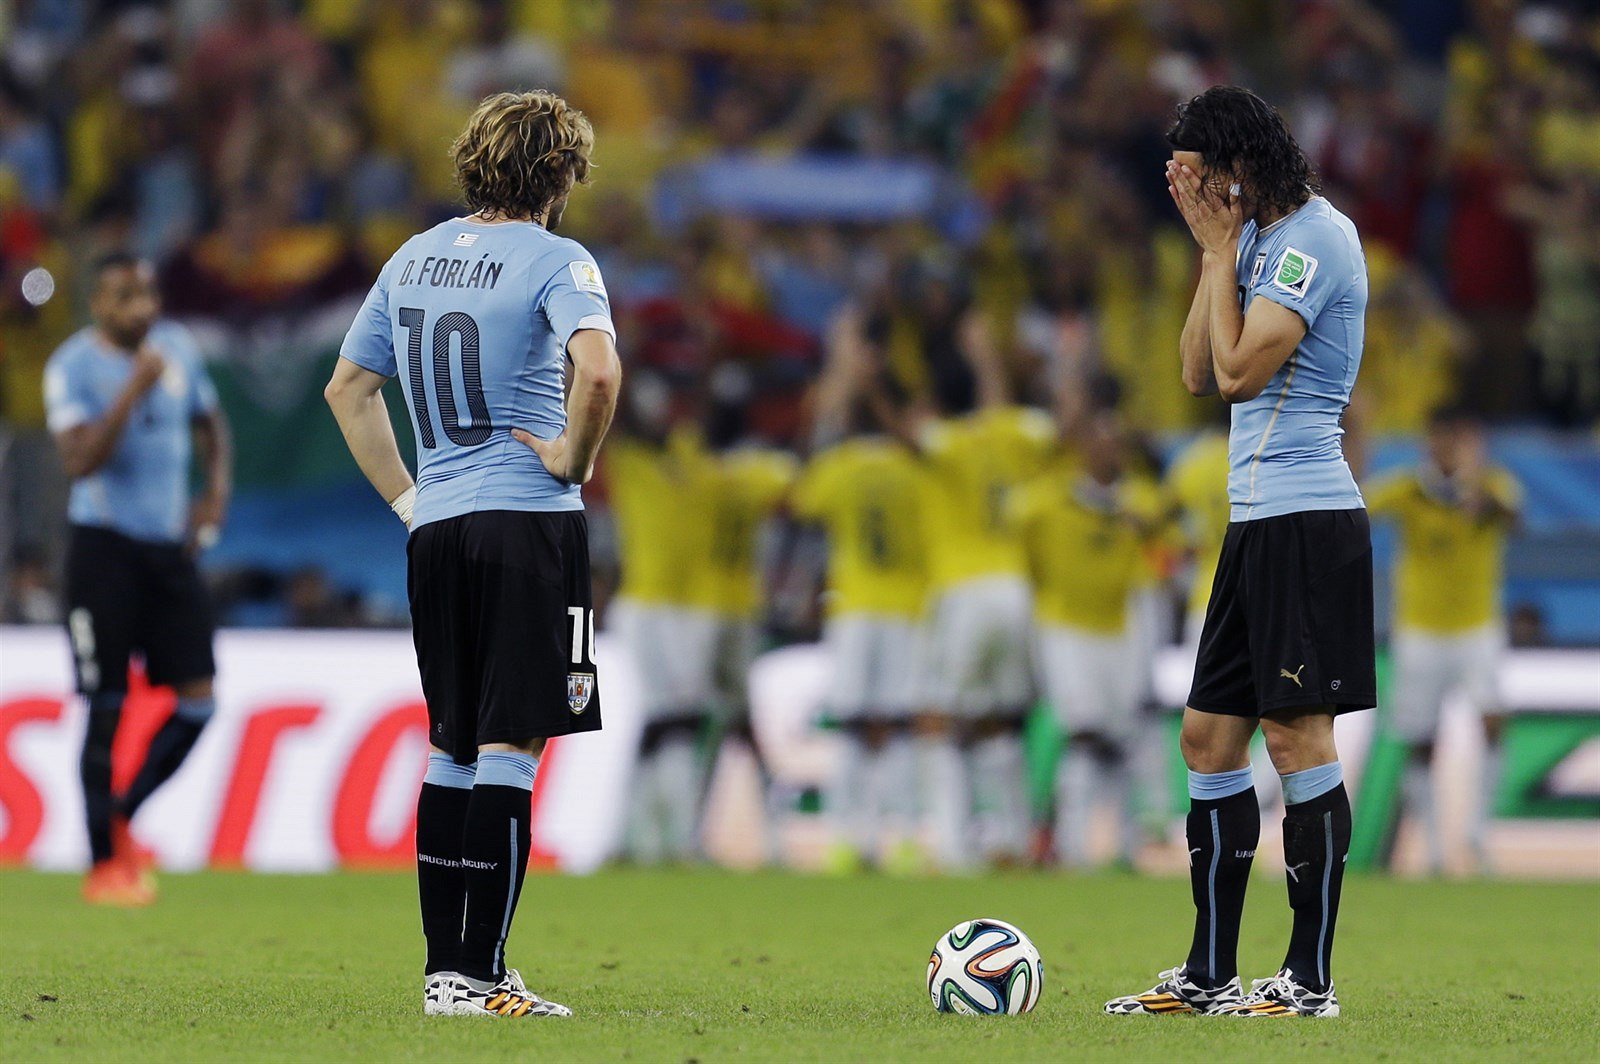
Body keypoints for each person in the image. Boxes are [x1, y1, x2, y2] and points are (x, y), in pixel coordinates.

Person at [324, 91, 621, 1019]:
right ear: (561, 173)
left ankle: (447, 975)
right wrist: (573, 459)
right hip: (527, 522)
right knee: (511, 746)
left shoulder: (411, 257)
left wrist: (410, 499)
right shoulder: (560, 260)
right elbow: (599, 372)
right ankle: (483, 978)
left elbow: (348, 389)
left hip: (440, 528)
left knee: (450, 747)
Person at [1106, 85, 1373, 1019]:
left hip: (1308, 517)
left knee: (1297, 739)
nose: (1188, 195)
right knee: (1208, 738)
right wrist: (1213, 255)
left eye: (1198, 177)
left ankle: (1309, 980)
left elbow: (1236, 374)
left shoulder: (1313, 241)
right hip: (1255, 520)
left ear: (1240, 166)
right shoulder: (1252, 239)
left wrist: (1224, 254)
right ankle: (1210, 973)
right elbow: (1190, 368)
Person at [43, 251, 232, 907]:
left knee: (200, 700)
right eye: (125, 296)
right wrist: (132, 390)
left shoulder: (178, 347)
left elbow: (211, 425)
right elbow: (80, 462)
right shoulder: (72, 366)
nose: (141, 308)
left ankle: (122, 814)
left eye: (147, 294)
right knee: (105, 705)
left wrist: (214, 495)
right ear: (98, 303)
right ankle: (103, 865)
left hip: (167, 551)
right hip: (104, 551)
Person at [1366, 408, 1520, 874]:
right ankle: (1433, 846)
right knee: (1421, 738)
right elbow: (1358, 508)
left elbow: (1512, 518)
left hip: (1477, 626)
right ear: (1429, 443)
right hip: (1420, 629)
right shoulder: (1408, 488)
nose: (1448, 448)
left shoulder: (1492, 484)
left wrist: (1476, 490)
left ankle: (1477, 833)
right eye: (1441, 439)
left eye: (1458, 438)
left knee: (1493, 720)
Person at [1012, 412, 1162, 869]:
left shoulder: (1139, 503)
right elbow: (1015, 526)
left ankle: (1124, 849)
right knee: (1083, 733)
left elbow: (1168, 542)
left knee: (1122, 739)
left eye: (1114, 441)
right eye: (1097, 440)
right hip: (1064, 627)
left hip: (1120, 630)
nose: (1106, 450)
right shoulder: (1050, 498)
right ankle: (1072, 847)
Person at [794, 392, 930, 873]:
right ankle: (906, 838)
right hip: (909, 607)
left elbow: (800, 501)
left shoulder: (840, 465)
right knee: (901, 726)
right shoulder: (917, 466)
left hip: (854, 607)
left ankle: (846, 840)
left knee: (852, 723)